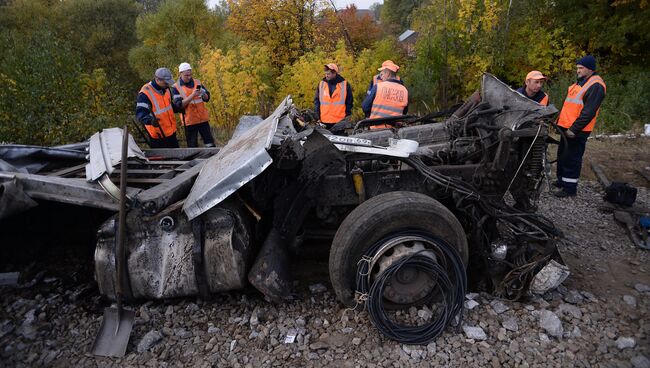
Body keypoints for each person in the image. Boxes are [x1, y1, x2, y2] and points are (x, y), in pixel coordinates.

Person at [554, 55, 606, 198]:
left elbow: (588, 112)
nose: (577, 70)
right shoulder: (582, 82)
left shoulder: (596, 85)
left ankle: (569, 188)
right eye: (577, 67)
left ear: (590, 69)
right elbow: (570, 106)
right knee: (563, 155)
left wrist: (574, 129)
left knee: (572, 158)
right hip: (567, 127)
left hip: (577, 130)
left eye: (580, 68)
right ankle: (561, 181)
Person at [135, 67, 182, 148]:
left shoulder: (166, 89)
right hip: (158, 137)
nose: (167, 85)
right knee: (165, 160)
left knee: (177, 158)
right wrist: (151, 120)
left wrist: (177, 108)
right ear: (157, 80)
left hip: (171, 132)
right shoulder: (145, 93)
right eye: (165, 83)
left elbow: (168, 106)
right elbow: (140, 114)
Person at [172, 62, 216, 148]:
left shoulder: (197, 82)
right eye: (186, 75)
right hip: (189, 121)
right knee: (192, 146)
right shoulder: (176, 87)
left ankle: (214, 158)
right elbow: (179, 105)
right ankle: (195, 161)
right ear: (180, 74)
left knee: (210, 144)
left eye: (190, 75)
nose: (189, 77)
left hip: (203, 119)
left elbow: (207, 98)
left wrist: (204, 94)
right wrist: (192, 95)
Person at [362, 61, 408, 129]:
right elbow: (404, 111)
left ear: (388, 74)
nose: (381, 76)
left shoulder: (378, 86)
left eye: (382, 73)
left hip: (377, 128)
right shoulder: (404, 90)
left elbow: (365, 107)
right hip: (396, 129)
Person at [314, 63, 353, 129]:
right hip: (324, 121)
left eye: (328, 74)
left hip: (340, 121)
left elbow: (349, 101)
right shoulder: (321, 84)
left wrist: (347, 116)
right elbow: (317, 101)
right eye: (325, 73)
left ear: (334, 73)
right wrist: (317, 116)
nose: (326, 75)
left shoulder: (345, 84)